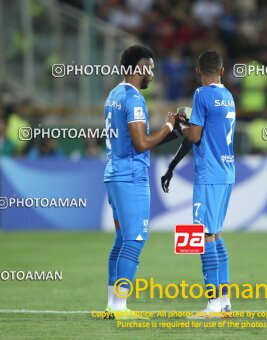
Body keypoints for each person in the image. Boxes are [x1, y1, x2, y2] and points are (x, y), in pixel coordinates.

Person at [103, 45, 178, 319]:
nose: (152, 74)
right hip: (131, 178)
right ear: (138, 69)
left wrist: (172, 130)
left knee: (122, 239)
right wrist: (169, 126)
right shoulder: (134, 100)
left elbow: (139, 143)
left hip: (115, 173)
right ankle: (120, 307)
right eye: (149, 68)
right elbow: (141, 142)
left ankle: (112, 304)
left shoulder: (114, 94)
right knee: (134, 240)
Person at [162, 51, 236, 316]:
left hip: (209, 174)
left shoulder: (201, 95)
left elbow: (194, 136)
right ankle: (225, 300)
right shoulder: (228, 96)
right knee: (215, 234)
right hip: (227, 173)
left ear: (197, 72)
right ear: (222, 71)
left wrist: (177, 123)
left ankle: (213, 304)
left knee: (203, 236)